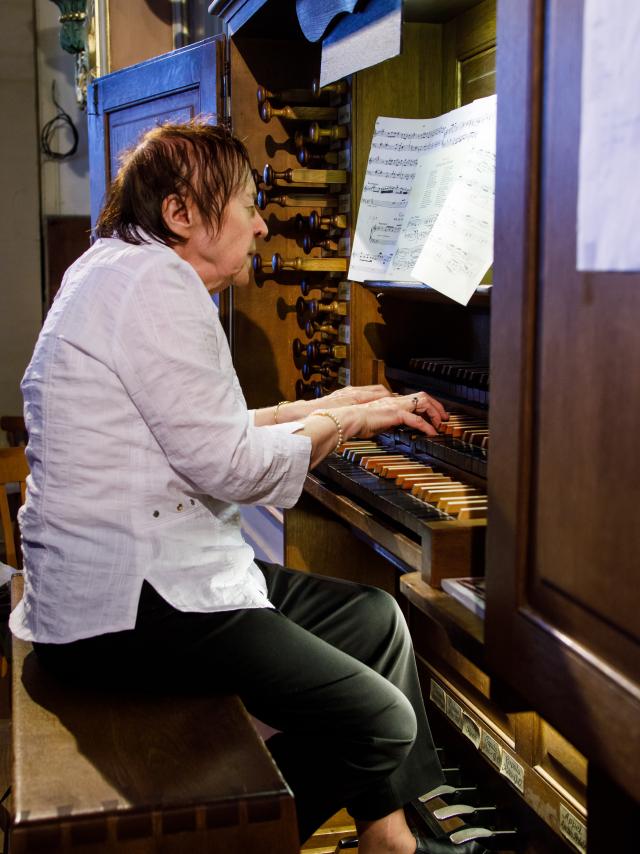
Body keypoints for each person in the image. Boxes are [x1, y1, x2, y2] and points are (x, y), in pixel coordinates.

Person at [10, 119, 477, 854]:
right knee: (382, 720)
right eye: (248, 205)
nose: (263, 224)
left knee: (374, 621)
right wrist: (350, 426)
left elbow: (206, 426)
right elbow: (235, 466)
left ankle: (392, 839)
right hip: (128, 610)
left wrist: (336, 406)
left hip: (128, 582)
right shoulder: (156, 287)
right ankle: (222, 834)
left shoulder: (119, 270)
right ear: (182, 214)